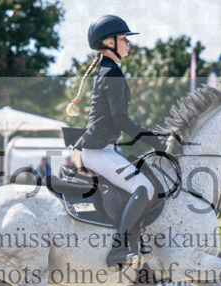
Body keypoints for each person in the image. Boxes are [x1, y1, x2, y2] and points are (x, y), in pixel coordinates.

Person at [66, 15, 168, 268]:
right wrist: (155, 141)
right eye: (123, 38)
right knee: (144, 188)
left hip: (103, 148)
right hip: (97, 151)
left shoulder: (110, 69)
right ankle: (119, 250)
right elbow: (121, 119)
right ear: (109, 42)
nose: (128, 43)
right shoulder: (111, 72)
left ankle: (133, 242)